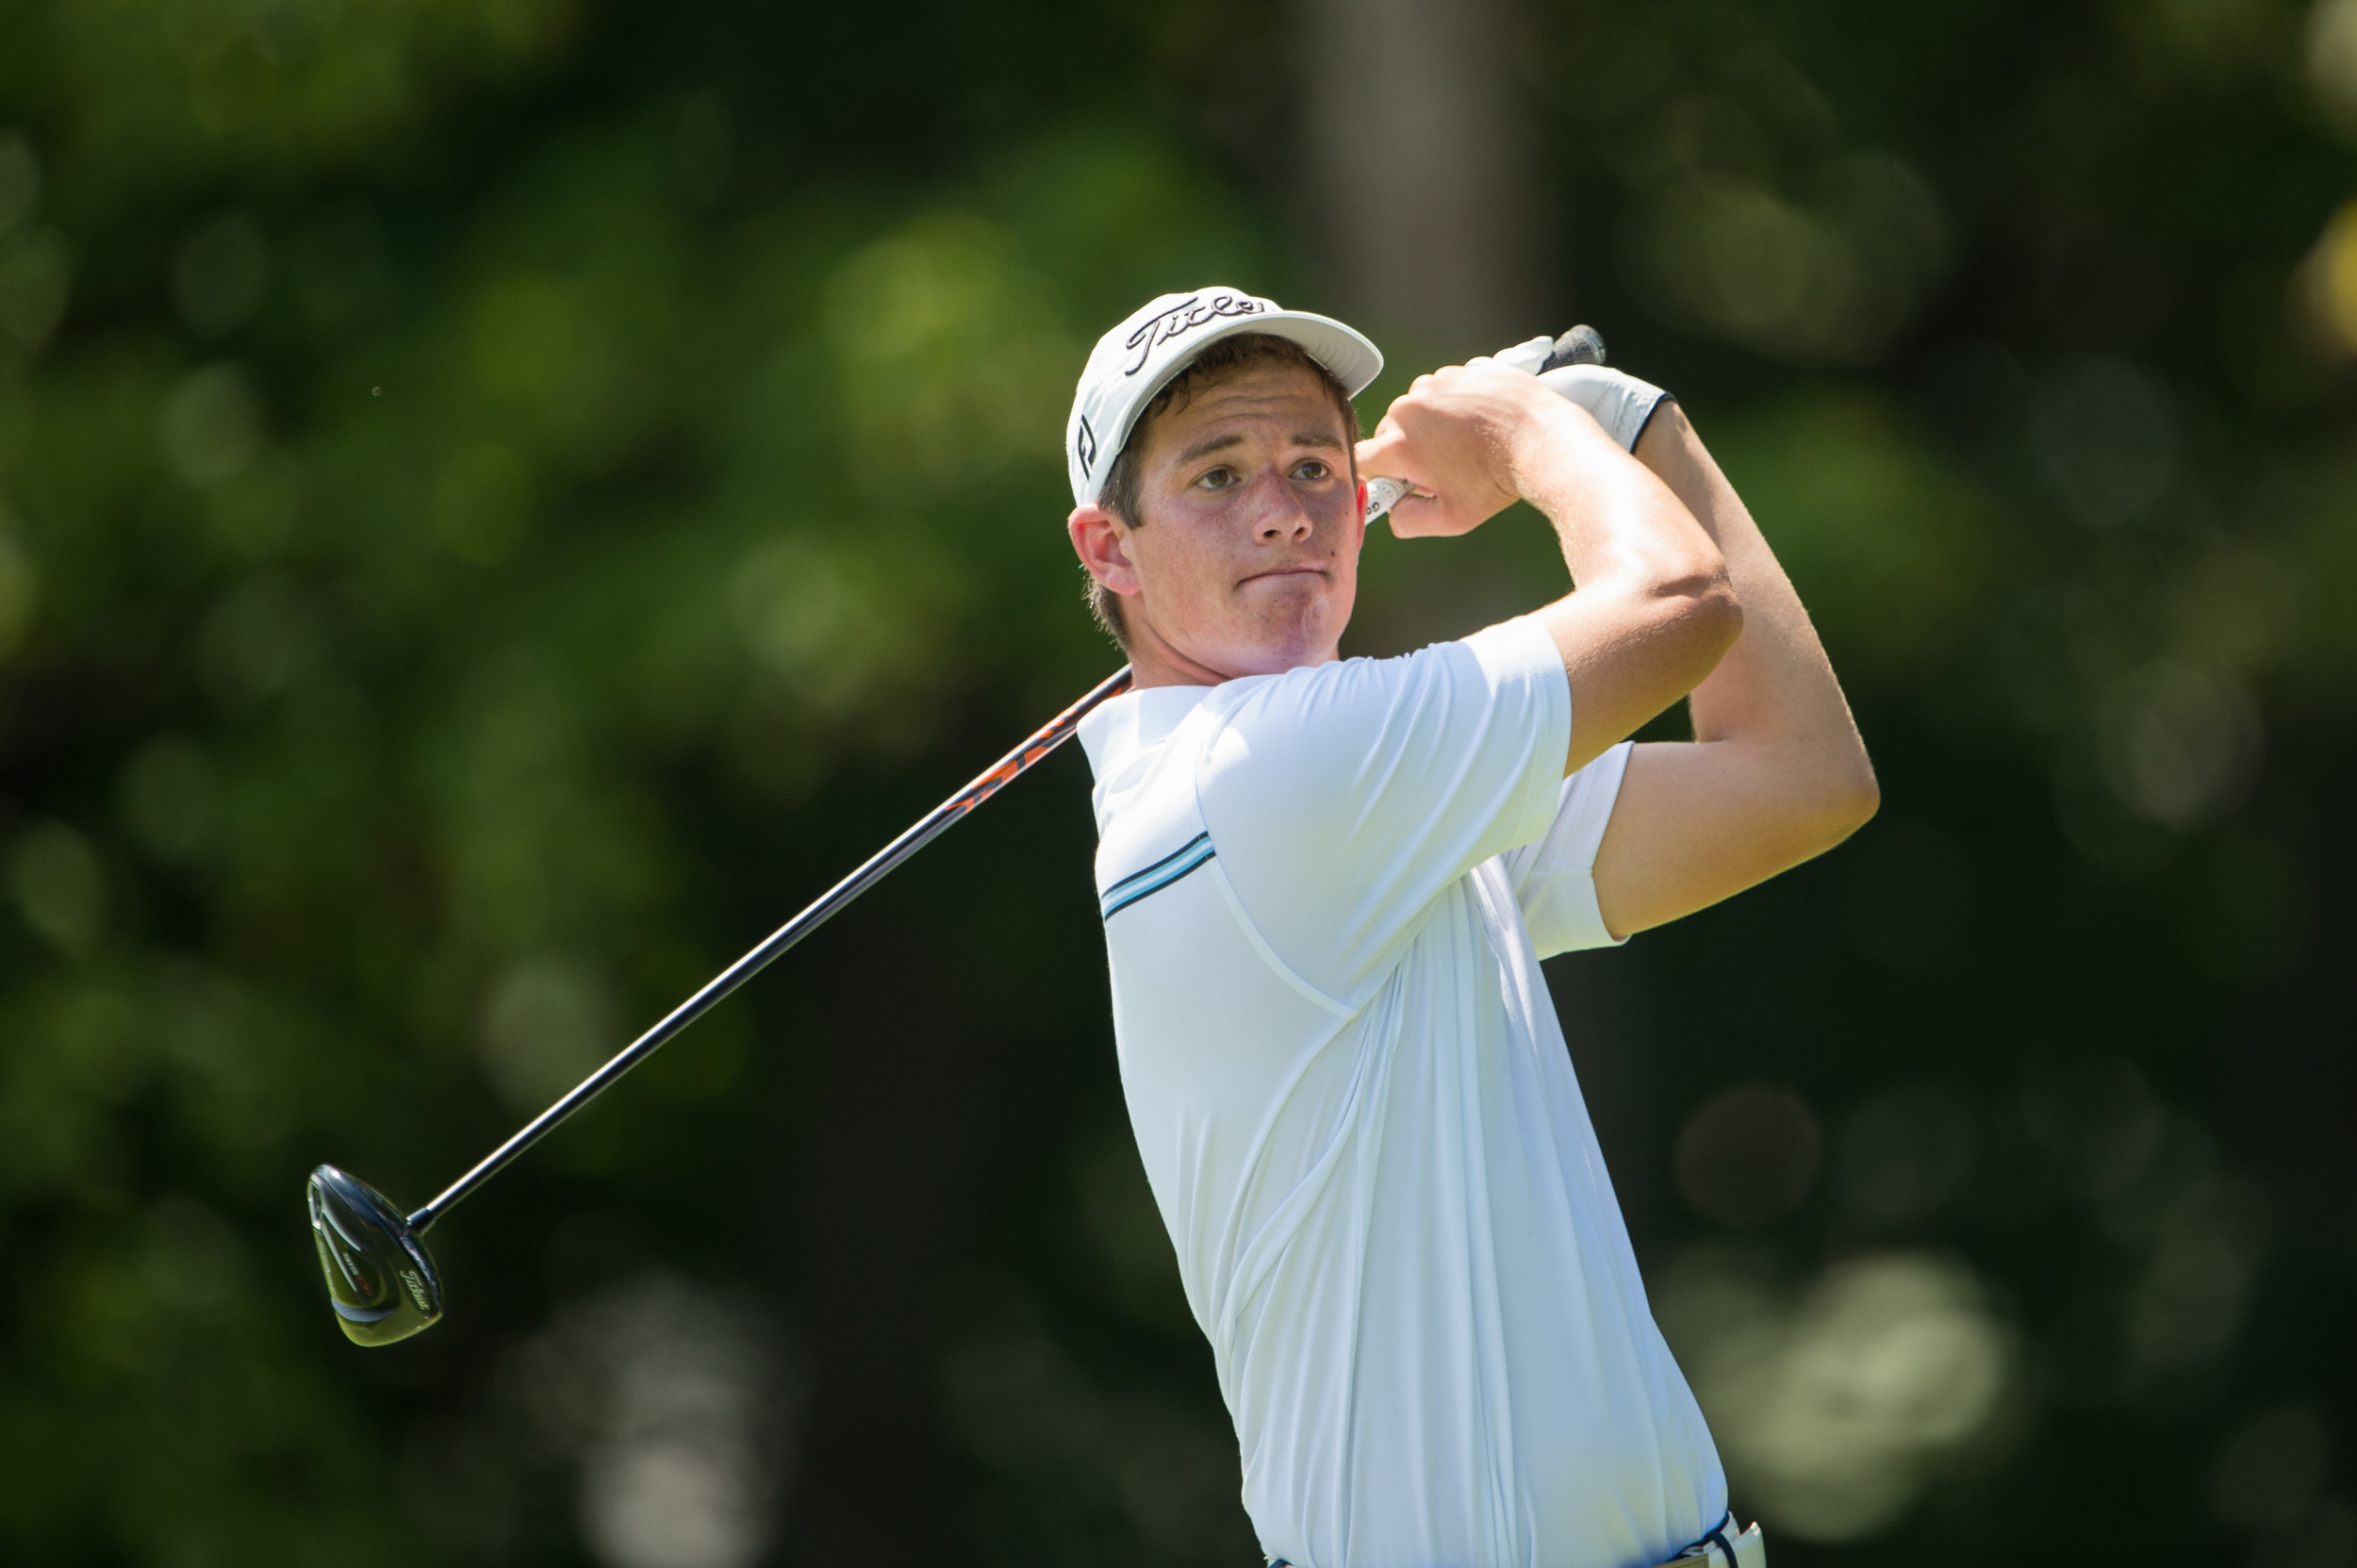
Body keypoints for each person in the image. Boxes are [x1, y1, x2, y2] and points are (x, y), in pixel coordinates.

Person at [1062, 287, 1876, 1568]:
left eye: (1314, 466)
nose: (1282, 505)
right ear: (1109, 548)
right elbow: (1677, 600)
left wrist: (1630, 427)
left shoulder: (1364, 799)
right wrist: (1541, 441)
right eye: (1215, 475)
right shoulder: (1270, 775)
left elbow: (1799, 778)